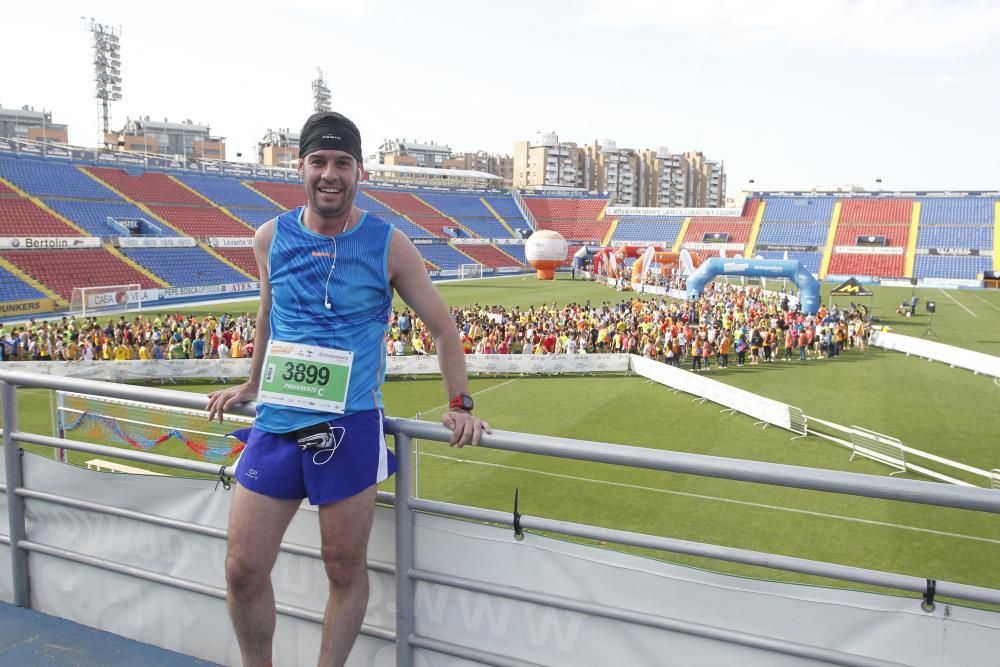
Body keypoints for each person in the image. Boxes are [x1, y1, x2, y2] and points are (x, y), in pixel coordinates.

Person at [205, 111, 490, 667]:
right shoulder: (270, 238)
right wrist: (250, 381)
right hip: (278, 425)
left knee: (342, 567)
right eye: (319, 161)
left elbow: (442, 328)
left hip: (349, 423)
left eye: (341, 163)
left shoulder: (389, 244)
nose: (329, 174)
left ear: (359, 172)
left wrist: (460, 405)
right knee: (243, 569)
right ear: (301, 168)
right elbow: (268, 313)